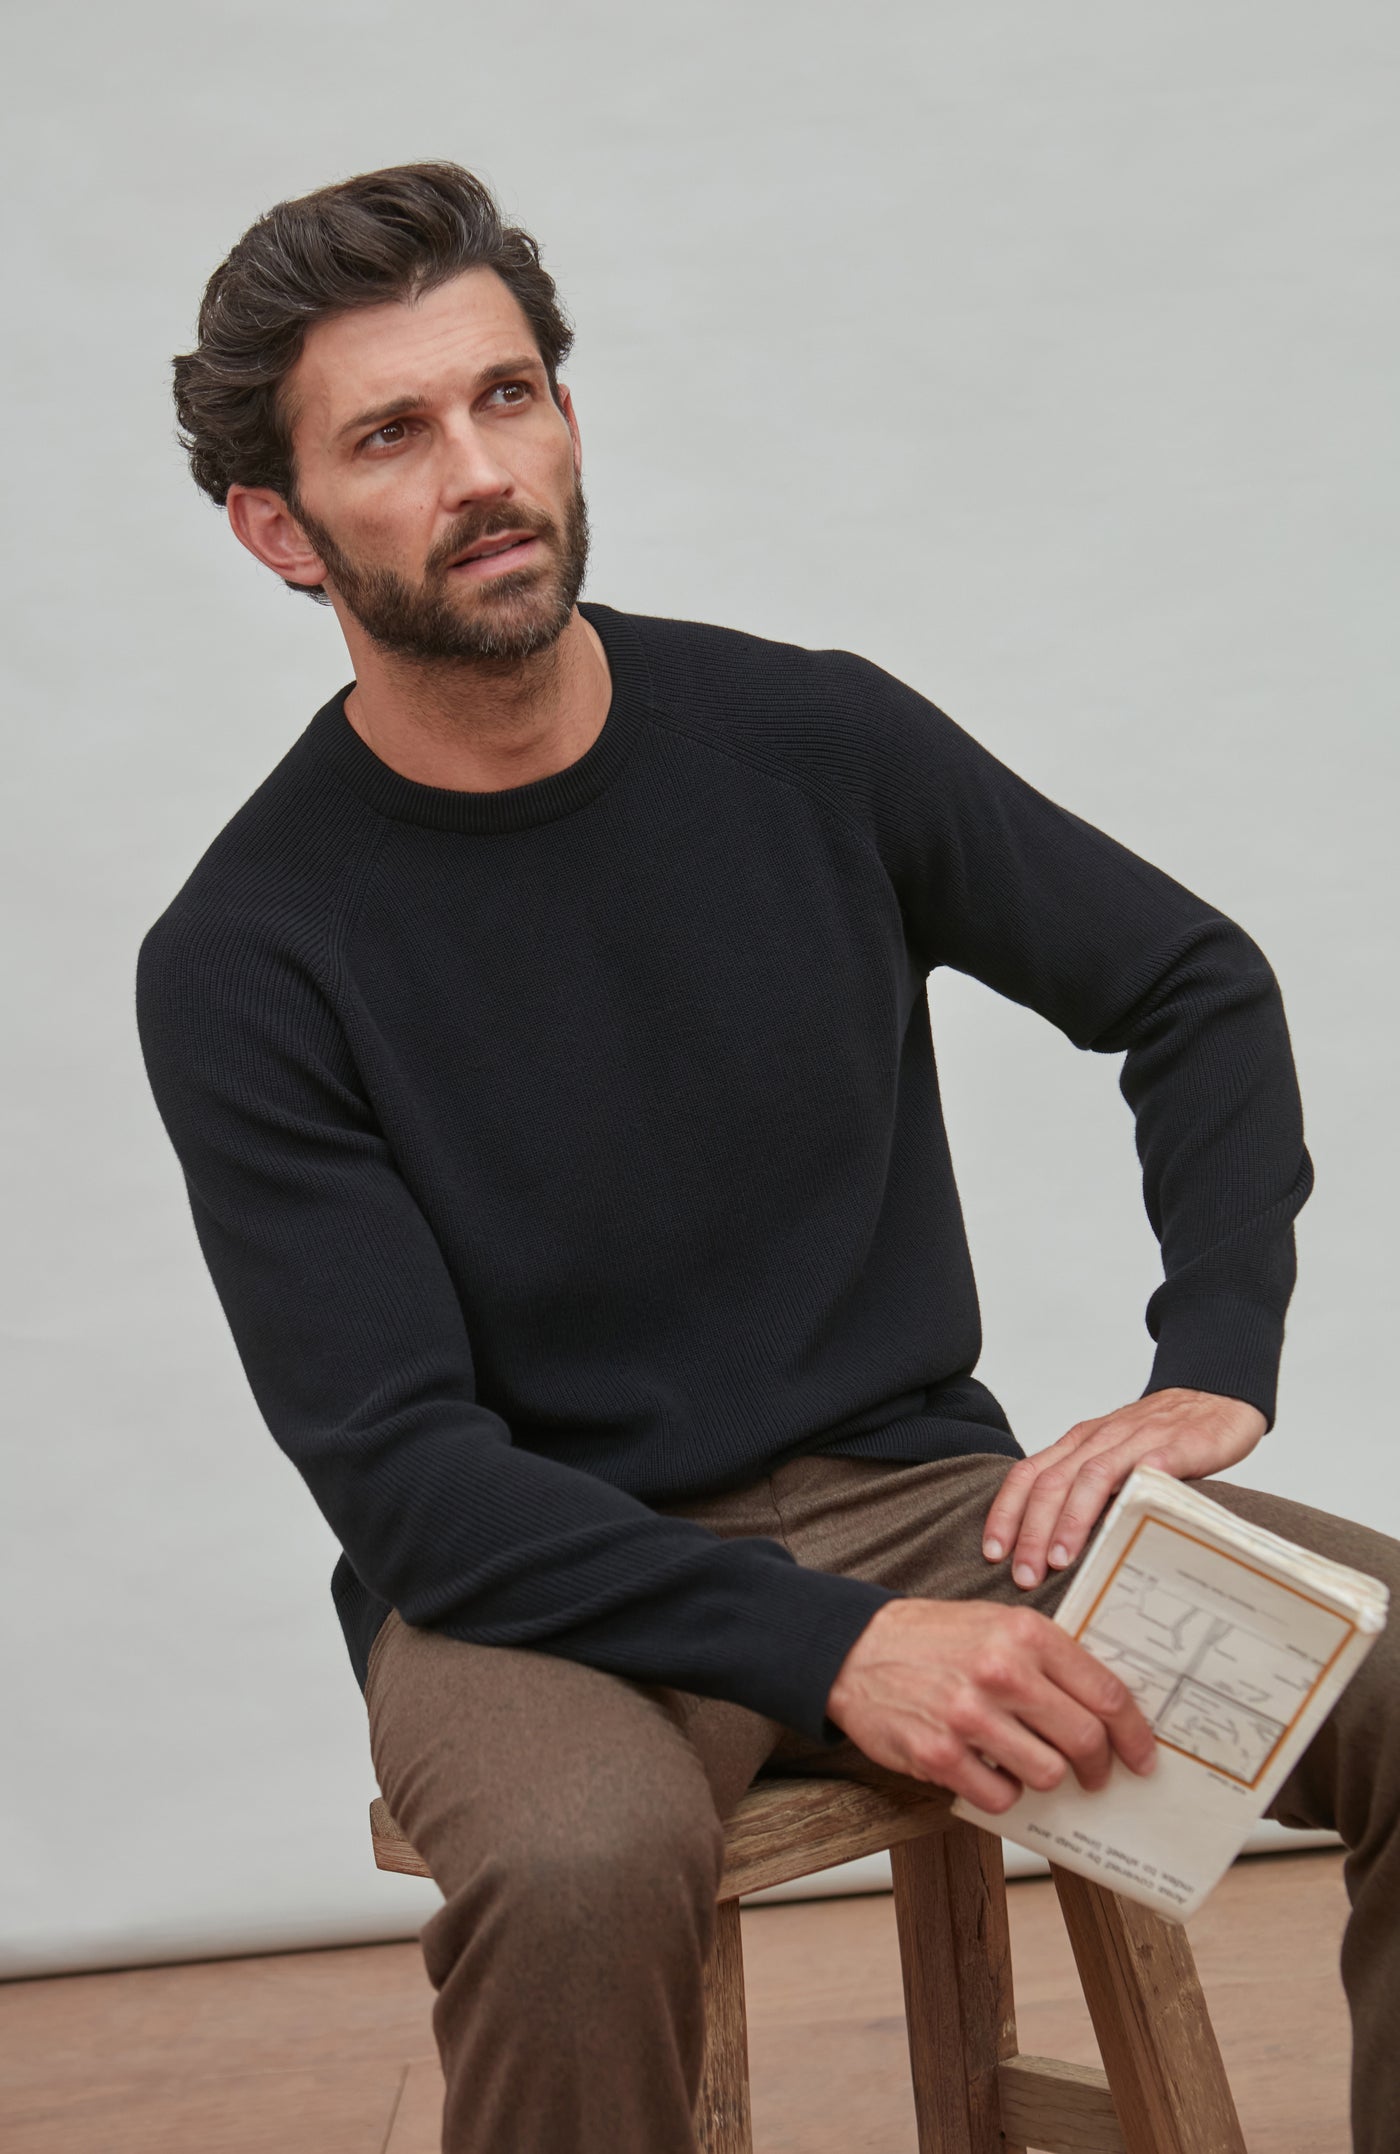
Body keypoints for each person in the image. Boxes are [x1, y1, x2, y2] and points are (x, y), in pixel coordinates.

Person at [136, 161, 1396, 2154]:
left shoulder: (807, 743)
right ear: (278, 529)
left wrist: (1212, 1358)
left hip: (929, 1504)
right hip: (535, 1582)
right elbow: (410, 1482)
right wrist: (839, 1651)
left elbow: (1192, 984)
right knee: (569, 1871)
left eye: (510, 394)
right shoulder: (246, 957)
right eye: (394, 432)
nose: (482, 469)